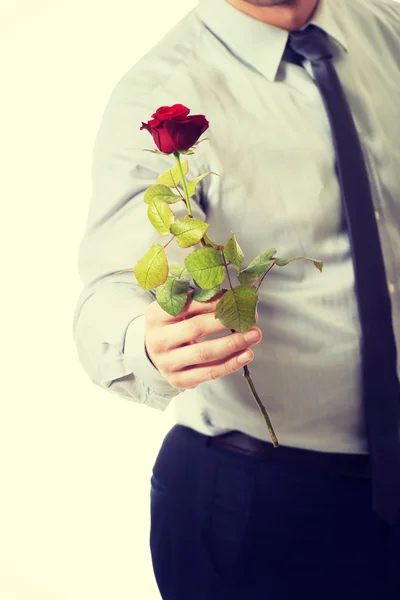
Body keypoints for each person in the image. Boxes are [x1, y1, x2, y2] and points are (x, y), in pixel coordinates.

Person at [73, 0, 400, 597]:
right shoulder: (163, 90)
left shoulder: (386, 25)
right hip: (263, 506)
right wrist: (143, 343)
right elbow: (111, 290)